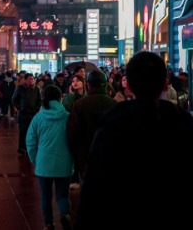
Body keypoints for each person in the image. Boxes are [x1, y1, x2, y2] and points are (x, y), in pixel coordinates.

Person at [75, 52, 193, 229]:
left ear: (128, 85)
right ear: (165, 84)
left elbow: (94, 189)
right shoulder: (183, 123)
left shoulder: (111, 125)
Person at [26, 85, 73, 230]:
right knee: (63, 195)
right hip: (64, 163)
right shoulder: (68, 117)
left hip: (44, 164)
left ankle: (49, 223)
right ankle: (65, 214)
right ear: (60, 98)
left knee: (46, 196)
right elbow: (74, 139)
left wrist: (35, 160)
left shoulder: (38, 118)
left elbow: (30, 142)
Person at [66, 71, 116, 191]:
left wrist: (75, 153)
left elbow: (73, 133)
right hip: (108, 154)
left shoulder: (80, 104)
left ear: (88, 85)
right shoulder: (113, 104)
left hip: (85, 154)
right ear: (105, 85)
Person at [12, 73, 41, 155]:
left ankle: (31, 148)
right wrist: (20, 108)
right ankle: (22, 148)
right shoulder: (20, 88)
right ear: (25, 80)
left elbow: (39, 100)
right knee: (23, 132)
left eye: (32, 79)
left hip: (33, 114)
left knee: (33, 132)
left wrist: (37, 108)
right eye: (29, 79)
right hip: (23, 114)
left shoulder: (36, 89)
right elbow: (14, 100)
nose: (31, 81)